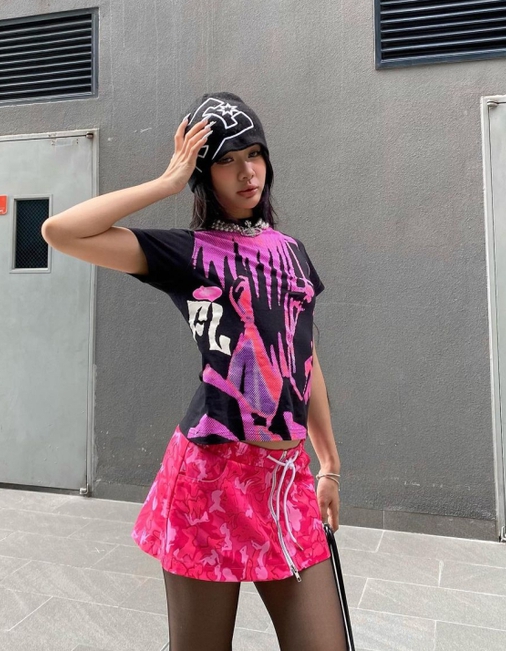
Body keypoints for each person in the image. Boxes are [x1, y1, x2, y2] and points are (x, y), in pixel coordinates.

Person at [41, 92, 347, 651]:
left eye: (254, 154)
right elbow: (61, 231)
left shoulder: (293, 253)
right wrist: (166, 183)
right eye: (227, 160)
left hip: (286, 482)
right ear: (204, 175)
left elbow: (305, 360)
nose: (247, 171)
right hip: (210, 480)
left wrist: (329, 463)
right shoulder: (191, 254)